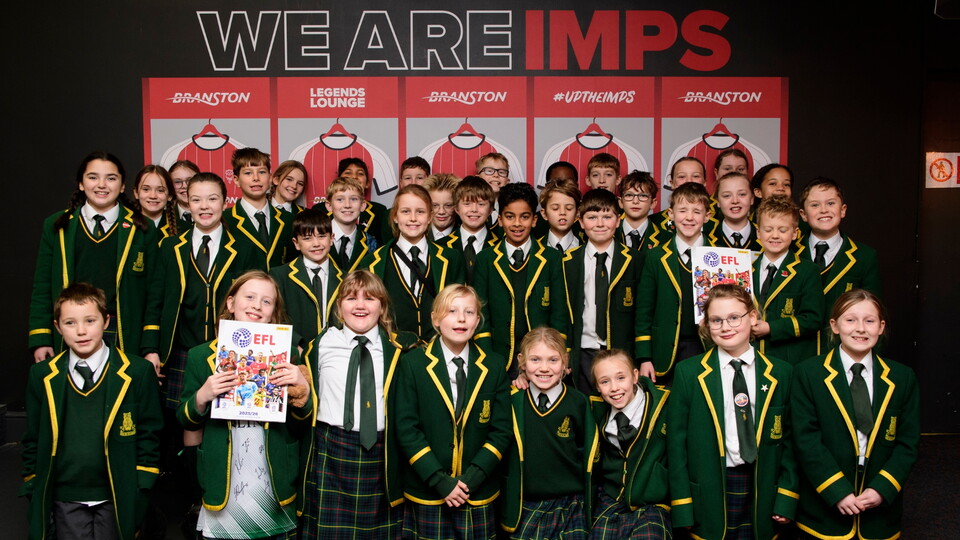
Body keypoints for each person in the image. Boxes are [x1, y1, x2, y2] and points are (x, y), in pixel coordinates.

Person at [21, 282, 162, 540]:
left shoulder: (137, 371)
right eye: (70, 323)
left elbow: (149, 436)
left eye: (90, 320)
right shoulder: (42, 375)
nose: (82, 331)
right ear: (57, 327)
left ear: (106, 321)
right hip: (65, 498)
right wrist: (33, 485)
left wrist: (141, 492)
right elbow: (32, 438)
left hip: (117, 496)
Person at [177, 271, 310, 540]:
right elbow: (185, 418)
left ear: (274, 313)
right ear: (230, 303)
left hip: (273, 477)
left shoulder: (288, 355)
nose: (256, 306)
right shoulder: (201, 355)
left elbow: (301, 424)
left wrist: (303, 391)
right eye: (249, 297)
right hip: (222, 479)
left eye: (266, 302)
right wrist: (203, 395)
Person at [669, 284, 797, 540]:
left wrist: (786, 498)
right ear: (706, 325)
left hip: (762, 486)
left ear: (752, 318)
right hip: (711, 487)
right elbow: (676, 444)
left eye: (734, 318)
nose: (725, 327)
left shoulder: (781, 372)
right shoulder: (689, 372)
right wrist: (683, 506)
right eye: (716, 320)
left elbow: (791, 441)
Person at [791, 290, 919, 539]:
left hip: (880, 514)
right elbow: (806, 440)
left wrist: (883, 488)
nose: (860, 329)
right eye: (850, 320)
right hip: (823, 512)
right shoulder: (808, 373)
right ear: (834, 325)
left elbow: (908, 442)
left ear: (881, 327)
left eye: (869, 321)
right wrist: (836, 489)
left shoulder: (902, 378)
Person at [300, 270, 416, 539]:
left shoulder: (402, 348)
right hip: (331, 450)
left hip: (381, 454)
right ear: (339, 306)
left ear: (383, 306)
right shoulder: (320, 344)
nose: (360, 305)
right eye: (351, 298)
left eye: (370, 298)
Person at [390, 284, 511, 540]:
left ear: (478, 320)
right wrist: (440, 481)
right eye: (452, 311)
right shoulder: (413, 363)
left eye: (469, 312)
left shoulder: (494, 365)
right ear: (435, 318)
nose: (460, 318)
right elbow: (407, 429)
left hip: (476, 491)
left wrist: (471, 480)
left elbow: (501, 432)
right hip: (428, 491)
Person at [29, 151, 157, 364]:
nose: (102, 185)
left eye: (111, 178)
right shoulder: (58, 225)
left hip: (122, 330)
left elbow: (154, 292)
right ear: (81, 183)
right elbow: (42, 286)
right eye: (93, 177)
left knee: (122, 394)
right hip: (71, 328)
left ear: (123, 186)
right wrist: (41, 338)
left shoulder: (142, 227)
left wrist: (150, 345)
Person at [500, 327, 597, 539]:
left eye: (553, 360)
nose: (544, 368)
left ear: (565, 362)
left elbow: (586, 451)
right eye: (535, 360)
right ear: (522, 361)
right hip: (524, 504)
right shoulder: (513, 400)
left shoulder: (578, 402)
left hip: (570, 503)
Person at [474, 182, 568, 378]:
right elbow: (481, 314)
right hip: (498, 358)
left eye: (524, 217)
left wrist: (558, 354)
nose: (517, 224)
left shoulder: (551, 258)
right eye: (510, 217)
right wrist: (488, 359)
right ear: (499, 220)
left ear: (534, 220)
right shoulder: (486, 259)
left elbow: (559, 313)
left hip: (541, 360)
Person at [362, 184, 466, 341]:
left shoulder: (451, 258)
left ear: (430, 216)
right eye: (405, 211)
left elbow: (460, 306)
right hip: (392, 351)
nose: (413, 218)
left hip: (438, 350)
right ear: (395, 217)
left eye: (420, 212)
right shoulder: (372, 262)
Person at [635, 182, 714, 385]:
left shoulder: (719, 256)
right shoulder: (656, 256)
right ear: (670, 213)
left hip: (708, 346)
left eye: (697, 211)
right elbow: (644, 309)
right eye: (682, 210)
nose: (689, 217)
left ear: (707, 216)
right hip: (665, 351)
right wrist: (645, 357)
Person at [562, 188, 641, 393]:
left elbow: (643, 312)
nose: (599, 224)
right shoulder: (567, 262)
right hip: (582, 350)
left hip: (620, 350)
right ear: (580, 221)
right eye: (592, 217)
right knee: (584, 408)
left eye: (607, 217)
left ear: (618, 220)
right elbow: (561, 312)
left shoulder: (636, 260)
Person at [589, 349, 671, 539]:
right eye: (605, 382)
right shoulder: (595, 411)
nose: (614, 388)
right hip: (612, 499)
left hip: (652, 501)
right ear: (597, 387)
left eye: (620, 378)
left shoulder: (664, 405)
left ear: (635, 376)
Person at [797, 177, 882, 354]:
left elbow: (873, 313)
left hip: (841, 351)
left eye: (830, 203)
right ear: (803, 214)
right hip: (797, 352)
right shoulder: (789, 253)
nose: (823, 210)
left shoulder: (864, 256)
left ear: (842, 210)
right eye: (814, 205)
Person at [751, 196, 824, 365]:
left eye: (782, 230)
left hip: (789, 361)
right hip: (753, 359)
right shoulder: (745, 269)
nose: (775, 235)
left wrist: (771, 328)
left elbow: (813, 319)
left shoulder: (807, 271)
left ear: (794, 233)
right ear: (758, 232)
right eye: (768, 229)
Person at [270, 208, 340, 350]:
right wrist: (297, 344)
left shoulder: (345, 278)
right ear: (296, 243)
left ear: (332, 238)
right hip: (294, 353)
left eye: (322, 236)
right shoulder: (280, 275)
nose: (316, 243)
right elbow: (276, 316)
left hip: (335, 354)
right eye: (307, 238)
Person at [223, 148, 295, 270]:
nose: (256, 178)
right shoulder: (225, 220)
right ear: (236, 179)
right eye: (248, 173)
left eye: (262, 172)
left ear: (270, 177)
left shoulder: (288, 219)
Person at [440, 176, 499, 283]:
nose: (474, 210)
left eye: (481, 204)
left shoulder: (500, 245)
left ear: (490, 209)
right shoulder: (440, 246)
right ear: (456, 208)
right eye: (467, 204)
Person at [325, 176, 378, 273]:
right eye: (340, 199)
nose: (347, 205)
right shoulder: (316, 239)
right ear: (329, 205)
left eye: (354, 199)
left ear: (362, 205)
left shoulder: (371, 243)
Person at [336, 157, 393, 245]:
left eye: (360, 174)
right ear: (338, 180)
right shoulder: (322, 209)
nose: (354, 177)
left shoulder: (379, 210)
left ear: (367, 184)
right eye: (348, 173)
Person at [704, 171, 761, 250]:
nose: (735, 201)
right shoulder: (705, 238)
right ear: (718, 201)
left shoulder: (766, 236)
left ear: (751, 199)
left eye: (742, 194)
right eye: (727, 196)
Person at [654, 156, 708, 233]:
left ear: (705, 182)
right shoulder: (655, 223)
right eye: (682, 176)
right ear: (671, 183)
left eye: (696, 176)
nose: (689, 181)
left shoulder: (719, 222)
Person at [616, 170, 663, 253]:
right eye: (629, 195)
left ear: (653, 203)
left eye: (643, 196)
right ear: (620, 202)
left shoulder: (666, 238)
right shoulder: (609, 235)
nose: (635, 201)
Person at [538, 177, 583, 254]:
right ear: (544, 213)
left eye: (569, 208)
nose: (562, 212)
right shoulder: (535, 248)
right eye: (555, 208)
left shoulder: (585, 247)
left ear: (577, 213)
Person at [133, 164, 178, 237]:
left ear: (170, 196)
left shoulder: (185, 229)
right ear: (136, 193)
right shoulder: (124, 226)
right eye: (146, 189)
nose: (153, 196)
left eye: (160, 190)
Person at [423, 172, 461, 241]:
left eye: (448, 205)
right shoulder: (418, 232)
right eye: (435, 205)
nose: (441, 212)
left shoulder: (465, 235)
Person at [169, 160, 202, 231]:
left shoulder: (214, 215)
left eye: (190, 180)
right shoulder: (165, 219)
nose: (184, 186)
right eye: (177, 182)